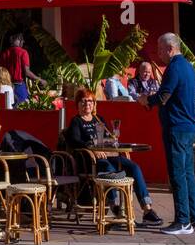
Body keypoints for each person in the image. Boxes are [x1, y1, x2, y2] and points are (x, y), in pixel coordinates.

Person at [65, 89, 162, 226]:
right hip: (92, 160)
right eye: (83, 101)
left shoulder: (99, 119)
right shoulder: (76, 121)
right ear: (78, 104)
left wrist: (113, 140)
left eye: (90, 101)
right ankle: (115, 206)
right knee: (108, 168)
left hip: (108, 155)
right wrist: (92, 150)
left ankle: (147, 210)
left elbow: (108, 139)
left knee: (133, 167)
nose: (87, 104)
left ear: (94, 103)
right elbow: (74, 141)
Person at [139, 32, 195, 236]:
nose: (158, 54)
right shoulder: (189, 67)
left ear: (170, 49)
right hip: (188, 126)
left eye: (159, 49)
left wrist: (147, 100)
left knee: (177, 174)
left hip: (176, 126)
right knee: (188, 173)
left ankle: (182, 221)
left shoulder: (174, 67)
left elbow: (164, 95)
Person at [0, 32, 45, 104]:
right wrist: (40, 80)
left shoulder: (4, 53)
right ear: (17, 40)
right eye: (22, 39)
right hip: (19, 86)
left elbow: (0, 71)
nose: (23, 42)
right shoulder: (23, 52)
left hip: (6, 86)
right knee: (22, 110)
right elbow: (27, 72)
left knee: (8, 108)